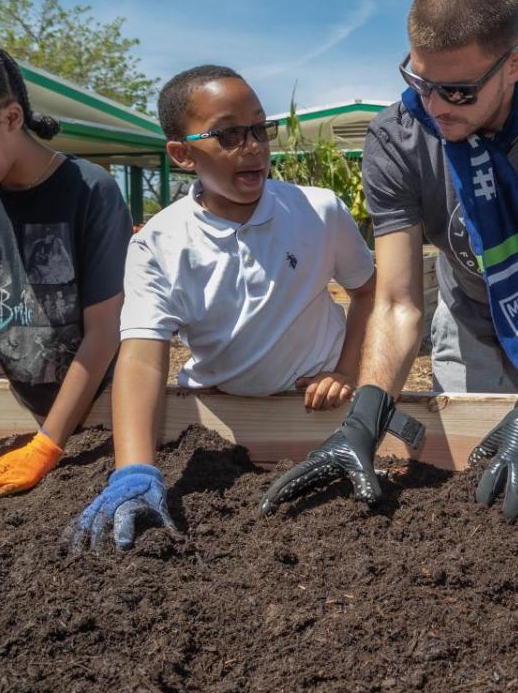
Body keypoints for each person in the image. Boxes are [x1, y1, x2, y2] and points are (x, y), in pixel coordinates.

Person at [260, 0, 518, 521]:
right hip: (470, 326)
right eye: (419, 82)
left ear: (513, 67)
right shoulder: (397, 137)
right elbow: (396, 301)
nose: (434, 107)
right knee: (472, 495)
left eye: (457, 91)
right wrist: (363, 419)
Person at [66, 65, 376, 551]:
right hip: (219, 421)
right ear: (182, 154)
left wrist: (344, 369)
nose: (252, 146)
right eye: (229, 134)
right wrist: (133, 469)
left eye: (259, 128)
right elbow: (143, 357)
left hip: (320, 411)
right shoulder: (159, 245)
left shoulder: (318, 212)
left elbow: (369, 291)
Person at [0, 40, 131, 498]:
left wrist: (47, 446)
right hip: (23, 401)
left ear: (12, 118)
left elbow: (105, 330)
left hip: (105, 407)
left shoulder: (89, 191)